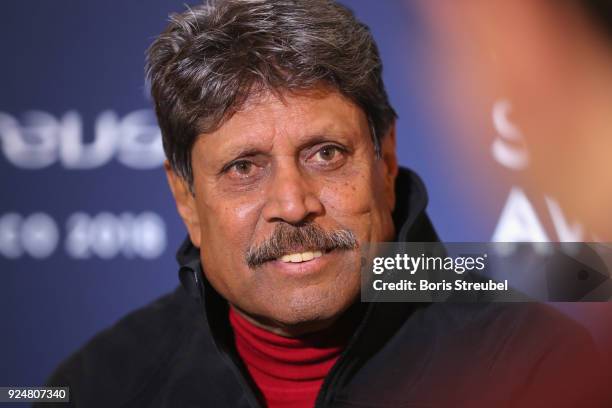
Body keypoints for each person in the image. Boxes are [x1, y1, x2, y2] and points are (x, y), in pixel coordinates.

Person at [40, 1, 607, 407]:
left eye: (326, 154)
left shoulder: (536, 370)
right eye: (244, 168)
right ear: (184, 196)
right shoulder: (98, 386)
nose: (292, 204)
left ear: (386, 159)